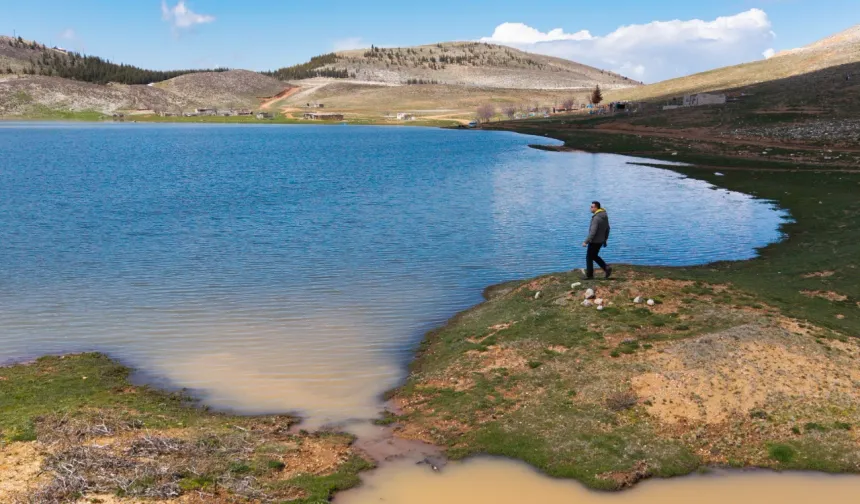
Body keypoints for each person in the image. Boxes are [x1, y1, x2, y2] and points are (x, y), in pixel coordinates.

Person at [581, 201, 612, 279]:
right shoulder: (604, 216)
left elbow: (593, 232)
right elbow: (608, 229)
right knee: (594, 256)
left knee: (589, 257)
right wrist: (605, 239)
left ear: (596, 208)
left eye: (592, 207)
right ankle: (606, 268)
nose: (590, 208)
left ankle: (590, 275)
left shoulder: (596, 218)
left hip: (594, 241)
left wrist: (586, 241)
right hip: (600, 241)